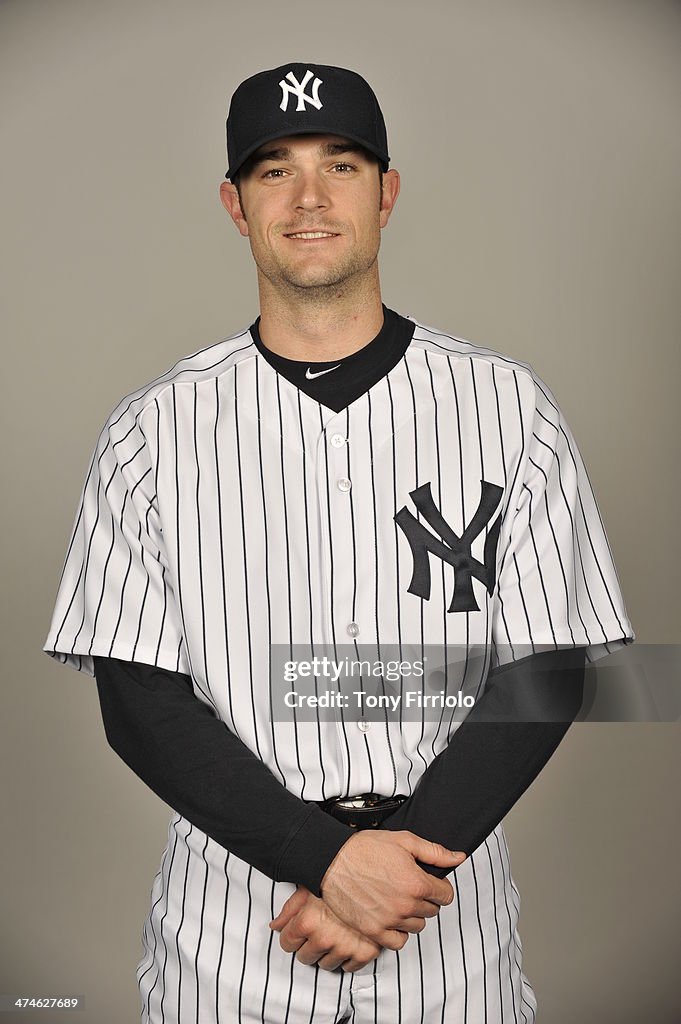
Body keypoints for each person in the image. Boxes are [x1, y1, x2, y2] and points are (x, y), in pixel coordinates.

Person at [43, 62, 634, 1023]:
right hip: (234, 923)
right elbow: (137, 699)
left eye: (342, 164)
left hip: (446, 915)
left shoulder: (506, 407)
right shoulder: (153, 428)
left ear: (386, 192)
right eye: (274, 170)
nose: (309, 197)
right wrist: (325, 862)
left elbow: (549, 666)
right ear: (235, 205)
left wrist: (390, 877)